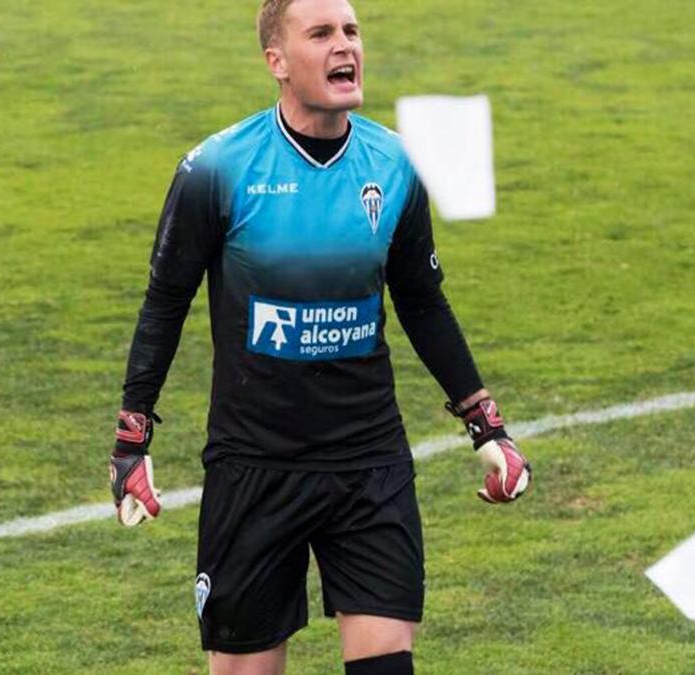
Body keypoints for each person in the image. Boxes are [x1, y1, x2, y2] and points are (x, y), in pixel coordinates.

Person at [110, 1, 532, 673]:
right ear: (276, 62)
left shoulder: (392, 165)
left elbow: (422, 302)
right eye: (322, 34)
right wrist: (132, 439)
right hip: (254, 465)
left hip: (368, 462)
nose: (346, 47)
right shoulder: (217, 169)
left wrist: (488, 424)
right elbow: (166, 301)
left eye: (352, 31)